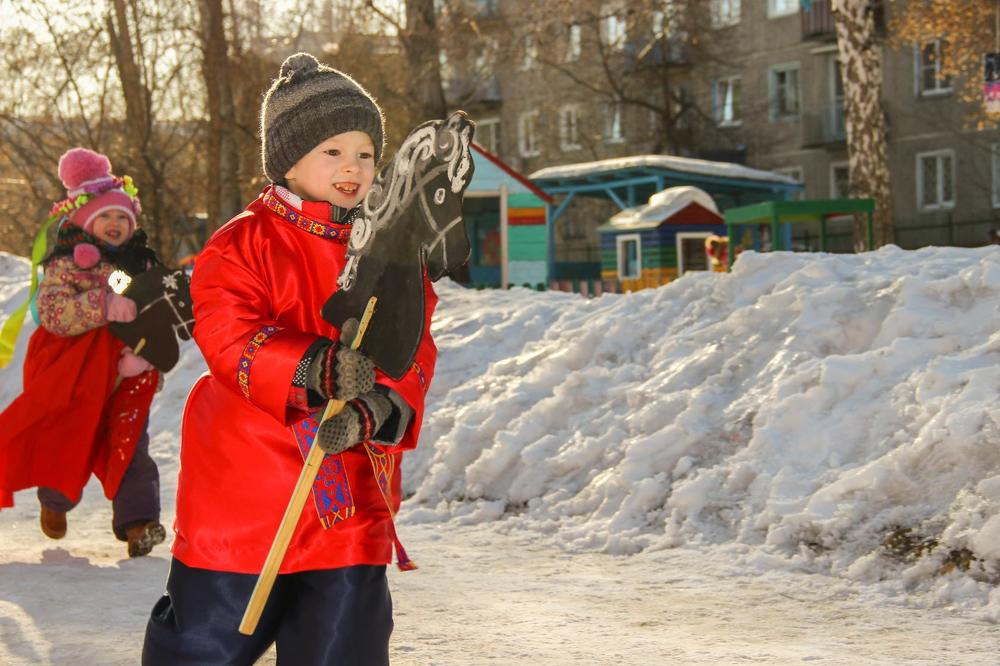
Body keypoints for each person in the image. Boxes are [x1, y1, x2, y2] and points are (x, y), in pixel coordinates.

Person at [142, 53, 438, 665]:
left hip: (346, 499)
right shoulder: (242, 242)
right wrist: (312, 368)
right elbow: (226, 333)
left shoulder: (391, 255)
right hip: (247, 491)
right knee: (207, 643)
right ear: (288, 161)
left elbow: (411, 347)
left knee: (342, 646)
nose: (352, 167)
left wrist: (377, 408)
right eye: (333, 152)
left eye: (364, 152)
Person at [0, 147, 165, 558]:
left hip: (127, 373)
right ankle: (55, 502)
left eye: (122, 217)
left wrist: (145, 356)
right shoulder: (68, 264)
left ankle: (138, 524)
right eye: (105, 216)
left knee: (131, 444)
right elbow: (54, 313)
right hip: (75, 373)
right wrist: (102, 305)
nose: (114, 223)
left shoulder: (143, 268)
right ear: (84, 222)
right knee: (68, 440)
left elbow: (157, 317)